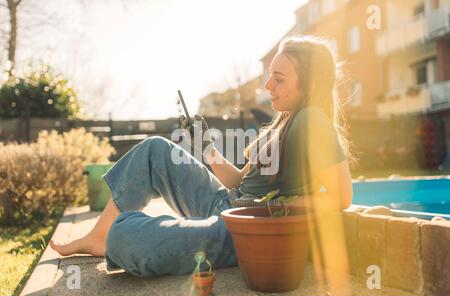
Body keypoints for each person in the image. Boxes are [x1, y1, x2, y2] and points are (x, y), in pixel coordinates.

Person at [50, 34, 353, 277]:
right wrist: (206, 147)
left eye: (279, 78)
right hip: (227, 202)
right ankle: (99, 236)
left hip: (244, 229)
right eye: (270, 75)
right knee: (155, 149)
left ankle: (128, 236)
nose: (268, 85)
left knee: (128, 238)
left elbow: (341, 197)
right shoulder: (285, 120)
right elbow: (239, 180)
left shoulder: (312, 120)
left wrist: (277, 206)